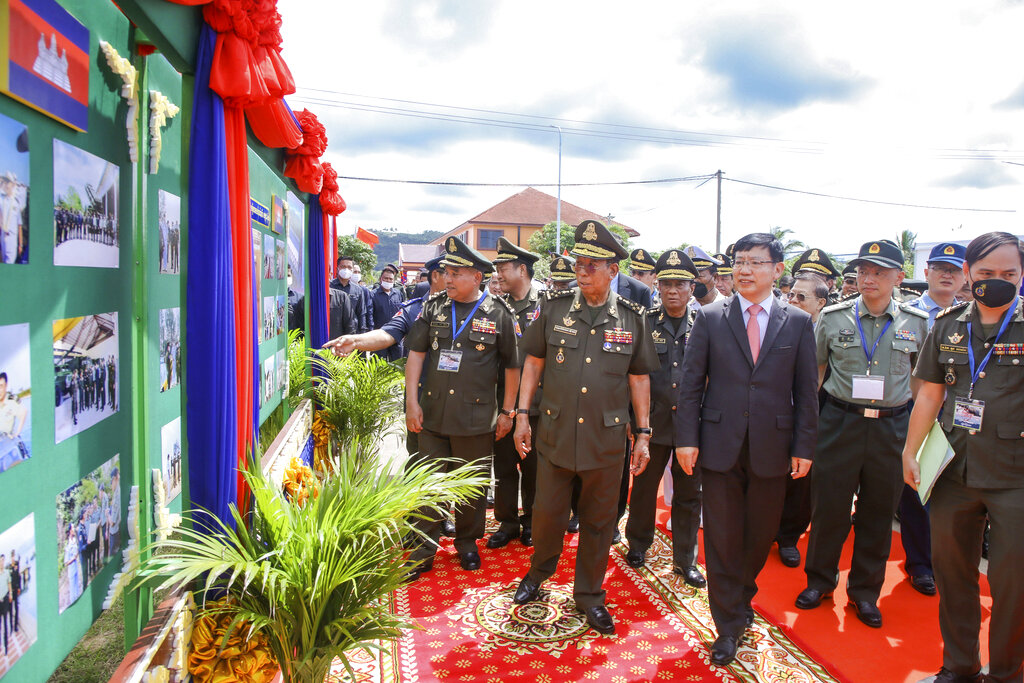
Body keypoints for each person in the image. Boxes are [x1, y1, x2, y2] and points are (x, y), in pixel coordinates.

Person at [676, 232, 818, 666]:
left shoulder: (796, 321)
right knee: (720, 537)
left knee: (758, 538)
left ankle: (742, 593)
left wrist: (804, 445)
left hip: (773, 449)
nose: (744, 269)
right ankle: (728, 623)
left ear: (777, 269)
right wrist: (686, 437)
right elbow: (690, 384)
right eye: (739, 261)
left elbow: (806, 391)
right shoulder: (711, 317)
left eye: (755, 262)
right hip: (719, 446)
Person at [511, 219, 658, 635]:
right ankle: (539, 574)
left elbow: (640, 378)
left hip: (606, 440)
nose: (583, 268)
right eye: (580, 261)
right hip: (555, 435)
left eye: (593, 263)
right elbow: (534, 362)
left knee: (598, 521)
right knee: (545, 515)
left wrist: (643, 433)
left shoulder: (633, 318)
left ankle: (590, 594)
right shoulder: (553, 307)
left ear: (614, 270)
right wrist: (522, 415)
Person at [902, 232, 1024, 683]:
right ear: (969, 273)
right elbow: (931, 392)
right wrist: (909, 451)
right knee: (953, 576)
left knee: (1013, 584)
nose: (998, 281)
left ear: (1022, 274)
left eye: (1009, 274)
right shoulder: (949, 324)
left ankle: (1008, 673)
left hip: (1016, 474)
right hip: (953, 467)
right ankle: (959, 666)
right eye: (987, 273)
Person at [797, 239, 929, 629]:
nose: (868, 278)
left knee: (877, 514)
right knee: (829, 509)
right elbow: (815, 374)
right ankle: (819, 581)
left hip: (892, 426)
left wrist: (918, 440)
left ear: (899, 278)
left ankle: (865, 593)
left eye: (878, 272)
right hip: (840, 422)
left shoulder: (917, 323)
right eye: (863, 271)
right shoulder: (834, 317)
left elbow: (922, 384)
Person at [403, 237, 521, 578]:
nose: (448, 279)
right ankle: (422, 549)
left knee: (472, 486)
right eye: (446, 272)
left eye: (455, 272)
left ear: (476, 277)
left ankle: (467, 544)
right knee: (429, 486)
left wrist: (508, 412)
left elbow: (512, 367)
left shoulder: (499, 313)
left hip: (476, 417)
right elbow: (416, 355)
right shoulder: (435, 307)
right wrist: (412, 401)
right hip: (434, 414)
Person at [623, 249, 705, 588]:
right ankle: (638, 544)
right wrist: (632, 419)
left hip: (691, 427)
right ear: (657, 285)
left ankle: (686, 559)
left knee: (689, 495)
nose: (672, 290)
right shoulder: (643, 320)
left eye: (680, 284)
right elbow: (629, 372)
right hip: (651, 422)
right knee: (643, 487)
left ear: (692, 288)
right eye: (666, 283)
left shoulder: (705, 324)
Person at [898, 242, 967, 597]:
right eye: (940, 268)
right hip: (915, 409)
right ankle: (921, 564)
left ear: (964, 276)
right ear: (925, 273)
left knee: (954, 492)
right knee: (917, 491)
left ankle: (949, 561)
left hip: (960, 417)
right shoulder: (905, 314)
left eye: (954, 270)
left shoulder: (972, 316)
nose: (946, 275)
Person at [487, 238, 542, 549]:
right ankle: (507, 522)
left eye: (503, 268)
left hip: (537, 405)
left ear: (522, 269)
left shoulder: (547, 304)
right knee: (504, 466)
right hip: (503, 402)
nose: (498, 275)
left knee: (534, 468)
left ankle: (532, 521)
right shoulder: (496, 306)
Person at [369, 263, 406, 361]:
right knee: (378, 364)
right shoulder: (373, 295)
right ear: (381, 279)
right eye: (386, 278)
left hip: (396, 336)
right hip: (379, 335)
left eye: (390, 279)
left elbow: (402, 312)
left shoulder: (398, 294)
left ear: (394, 281)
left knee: (397, 364)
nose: (388, 281)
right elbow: (370, 315)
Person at [331, 255, 371, 333]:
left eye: (349, 267)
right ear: (337, 269)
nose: (346, 269)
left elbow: (361, 313)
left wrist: (362, 333)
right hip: (333, 330)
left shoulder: (358, 290)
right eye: (343, 267)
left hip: (352, 331)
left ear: (352, 270)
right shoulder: (329, 286)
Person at [0, 171, 26, 264]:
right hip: (2, 237)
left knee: (10, 262)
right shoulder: (2, 200)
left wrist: (20, 245)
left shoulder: (16, 203)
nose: (6, 185)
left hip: (12, 238)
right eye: (5, 183)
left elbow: (19, 225)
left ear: (13, 185)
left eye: (9, 183)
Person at [351, 264, 375, 332]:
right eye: (355, 272)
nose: (357, 274)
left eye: (359, 272)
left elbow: (369, 310)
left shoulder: (364, 290)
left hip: (359, 328)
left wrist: (370, 328)